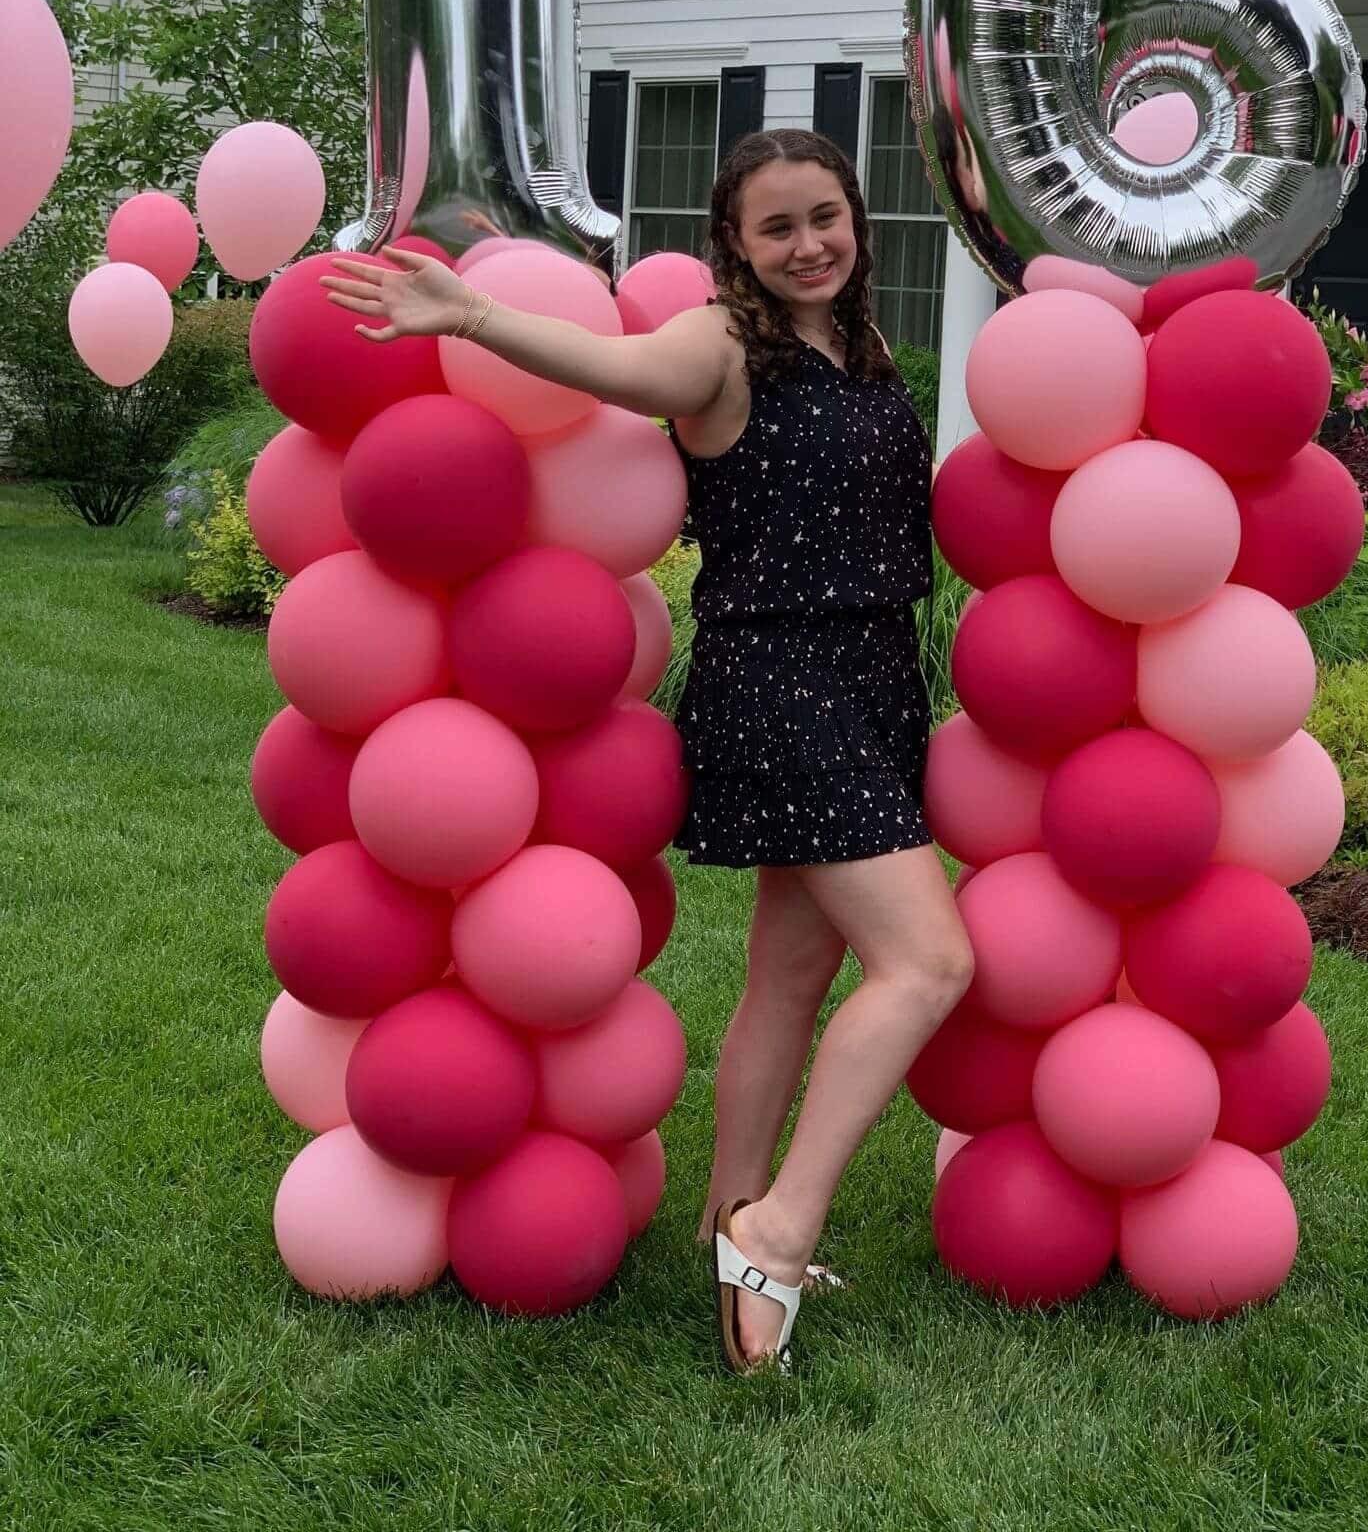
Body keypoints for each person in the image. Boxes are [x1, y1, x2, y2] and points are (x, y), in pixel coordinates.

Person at [320, 128, 975, 1375]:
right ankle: (779, 1232)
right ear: (735, 242)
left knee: (792, 973)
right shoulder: (721, 342)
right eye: (776, 226)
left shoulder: (863, 345)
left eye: (824, 215)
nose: (808, 243)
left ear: (857, 217)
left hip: (873, 675)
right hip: (786, 684)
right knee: (929, 961)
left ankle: (723, 1224)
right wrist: (473, 313)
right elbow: (614, 365)